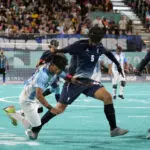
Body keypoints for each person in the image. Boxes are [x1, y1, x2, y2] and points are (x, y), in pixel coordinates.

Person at [26, 26, 128, 140]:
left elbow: (108, 53)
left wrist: (118, 65)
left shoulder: (99, 46)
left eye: (97, 41)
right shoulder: (79, 45)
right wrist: (44, 60)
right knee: (59, 108)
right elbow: (61, 51)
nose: (94, 43)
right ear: (90, 37)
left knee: (107, 97)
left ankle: (113, 129)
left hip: (88, 82)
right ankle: (35, 129)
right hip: (74, 81)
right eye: (93, 40)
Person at [4, 54, 68, 136]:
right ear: (52, 65)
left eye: (60, 69)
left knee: (39, 111)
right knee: (35, 126)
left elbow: (65, 75)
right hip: (27, 100)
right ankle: (11, 112)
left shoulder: (54, 69)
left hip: (33, 97)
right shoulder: (43, 75)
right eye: (58, 68)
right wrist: (51, 108)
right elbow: (39, 95)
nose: (58, 71)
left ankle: (19, 112)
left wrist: (74, 80)